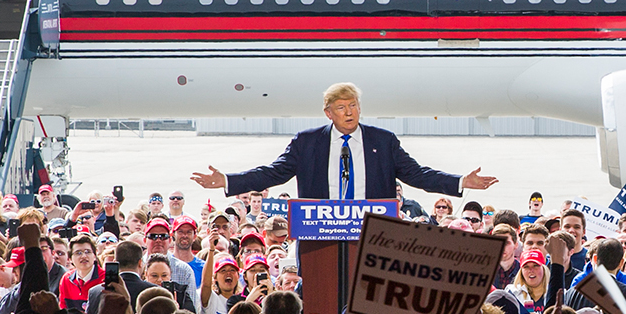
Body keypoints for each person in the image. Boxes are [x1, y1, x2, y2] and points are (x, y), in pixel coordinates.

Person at [189, 82, 497, 201]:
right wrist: (228, 181)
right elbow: (273, 173)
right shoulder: (307, 143)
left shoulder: (383, 141)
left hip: (370, 233)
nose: (349, 112)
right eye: (341, 107)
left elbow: (418, 175)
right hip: (320, 231)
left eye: (353, 106)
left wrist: (461, 182)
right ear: (328, 113)